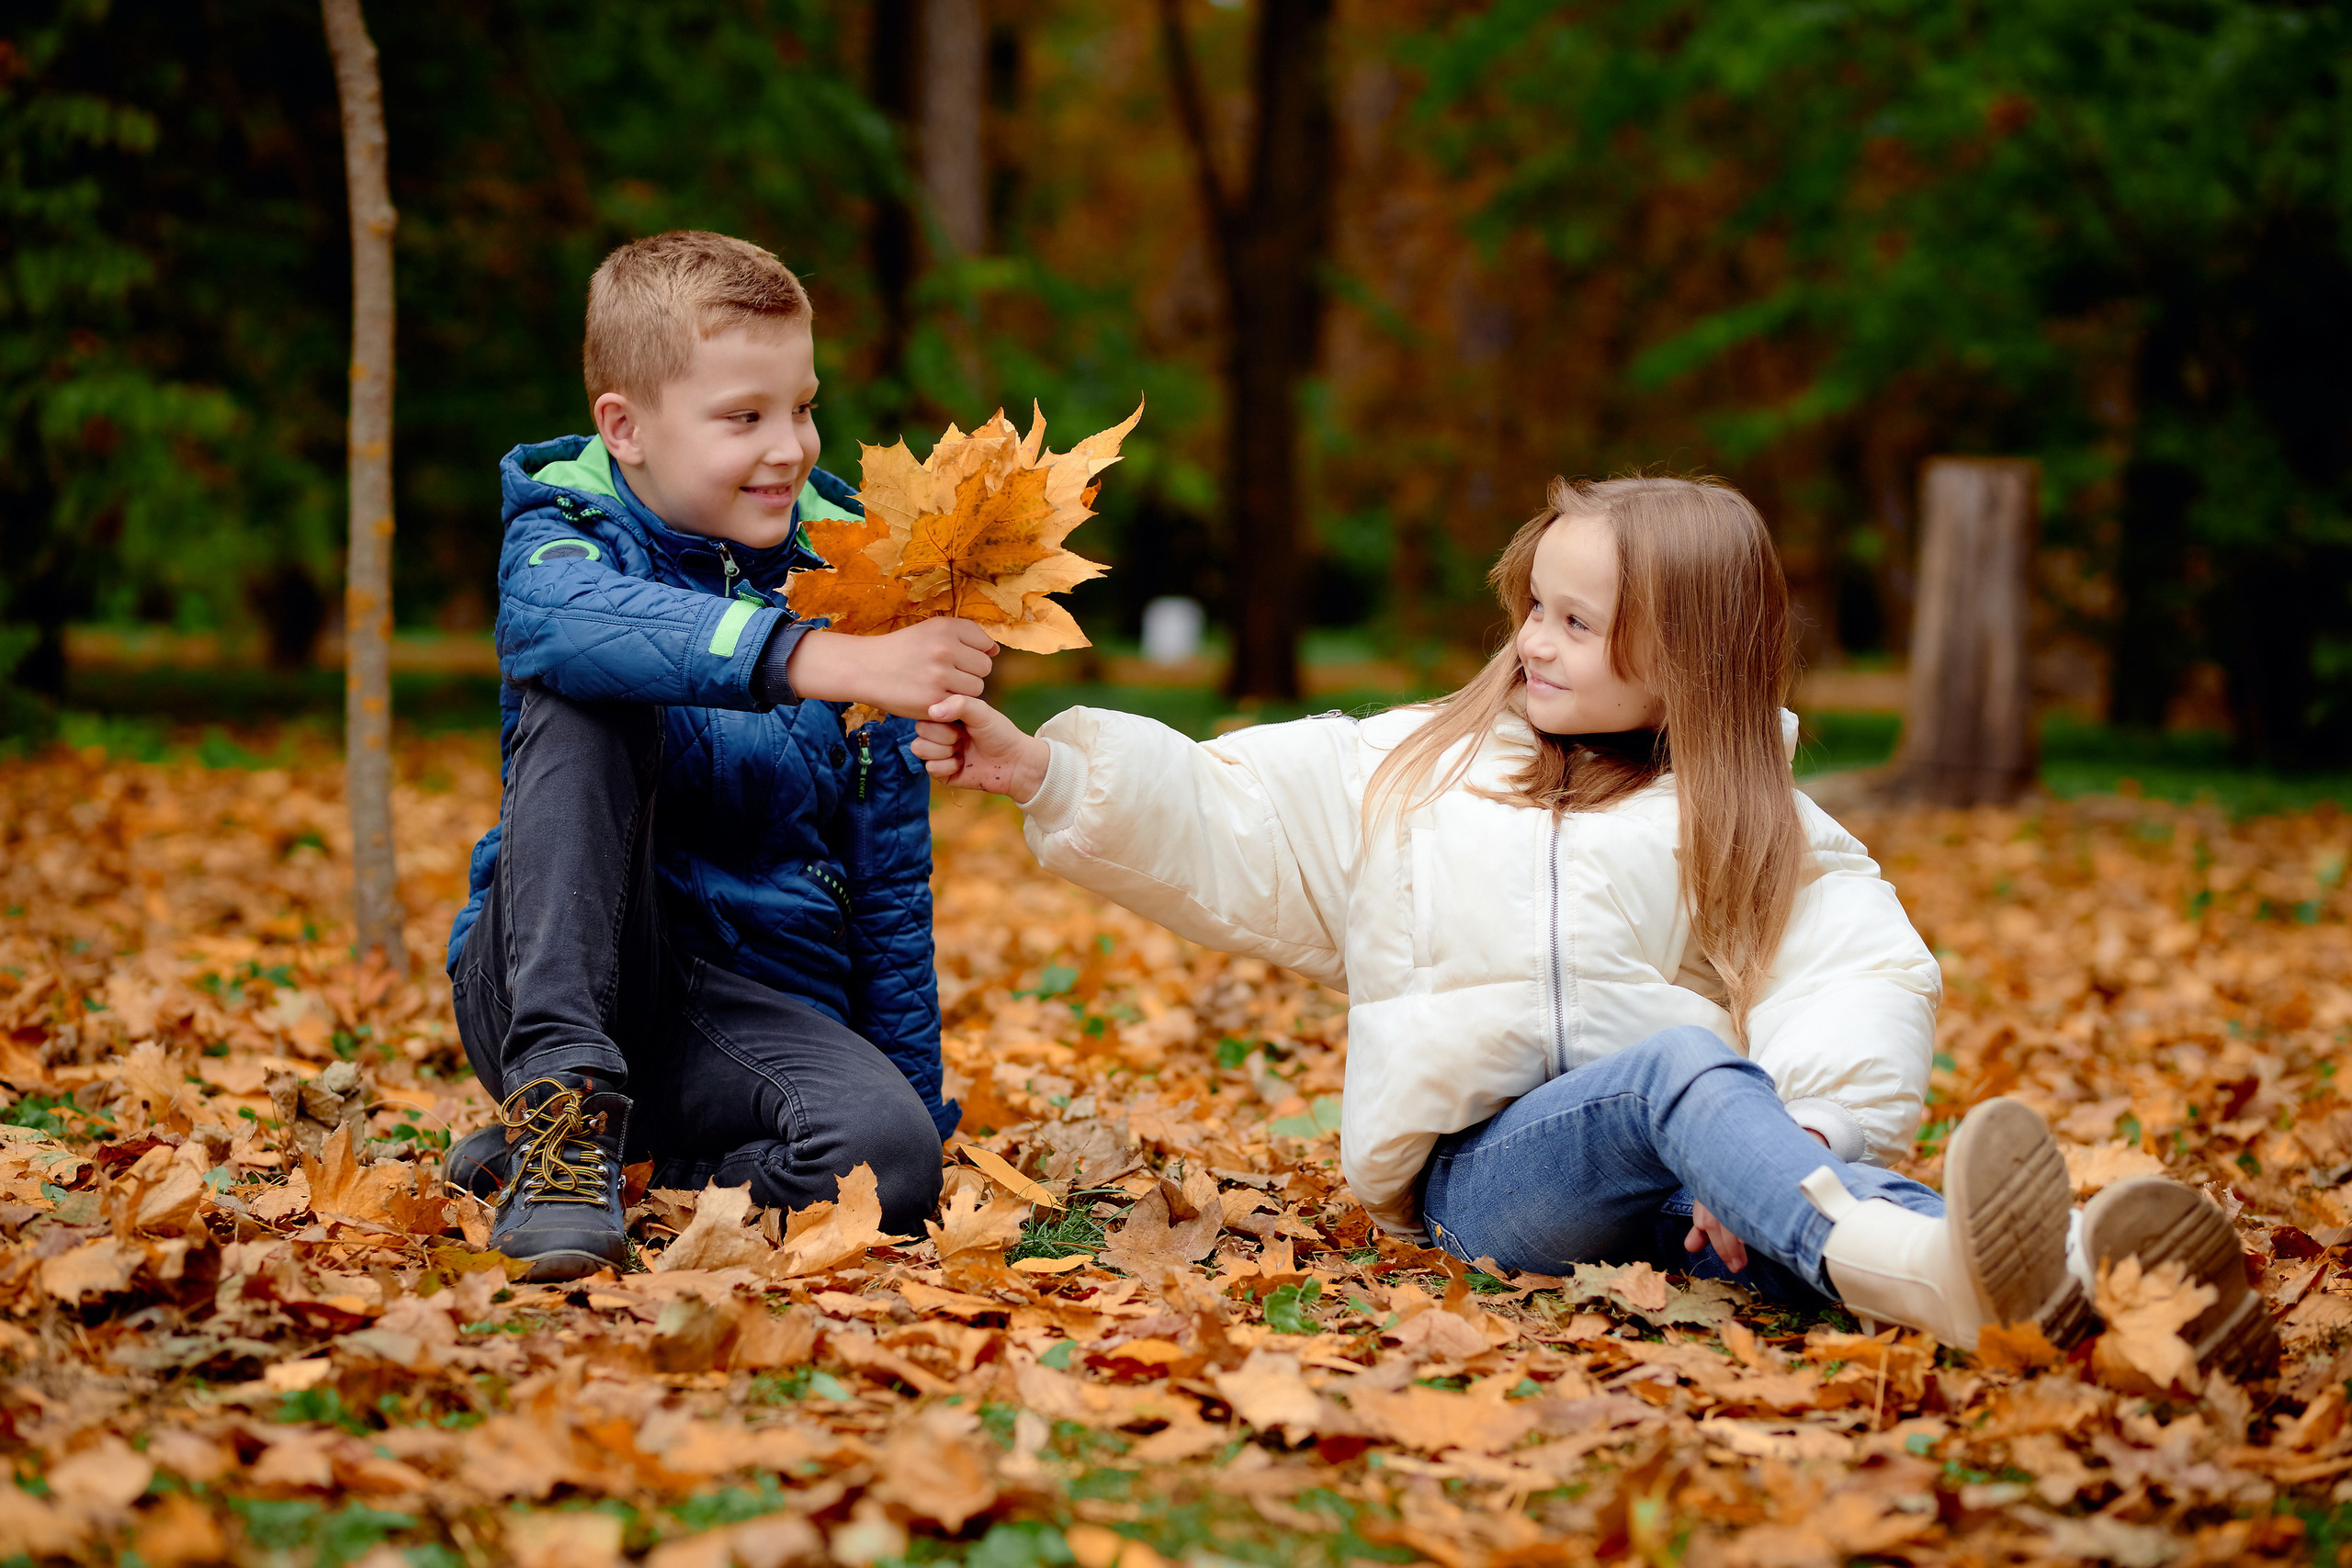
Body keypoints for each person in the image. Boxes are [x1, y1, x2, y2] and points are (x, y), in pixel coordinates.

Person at [911, 475, 2273, 1373]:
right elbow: (1229, 814)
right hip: (1496, 1187)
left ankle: (2078, 1293)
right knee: (1689, 1078)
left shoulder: (1750, 817)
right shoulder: (1417, 768)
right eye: (1534, 610)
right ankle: (1944, 1254)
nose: (1536, 642)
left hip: (1696, 1191)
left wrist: (1811, 1134)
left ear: (1683, 656)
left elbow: (1856, 970)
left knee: (1764, 1158)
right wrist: (1047, 768)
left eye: (1578, 620)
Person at [439, 231, 996, 1282]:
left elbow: (886, 880)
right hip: (551, 979)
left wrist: (911, 1106)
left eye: (802, 406)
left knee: (886, 1164)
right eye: (744, 417)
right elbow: (557, 618)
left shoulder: (859, 572)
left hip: (742, 1016)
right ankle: (561, 1118)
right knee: (589, 677)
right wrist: (811, 658)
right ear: (627, 427)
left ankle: (622, 1161)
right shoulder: (567, 531)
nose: (789, 447)